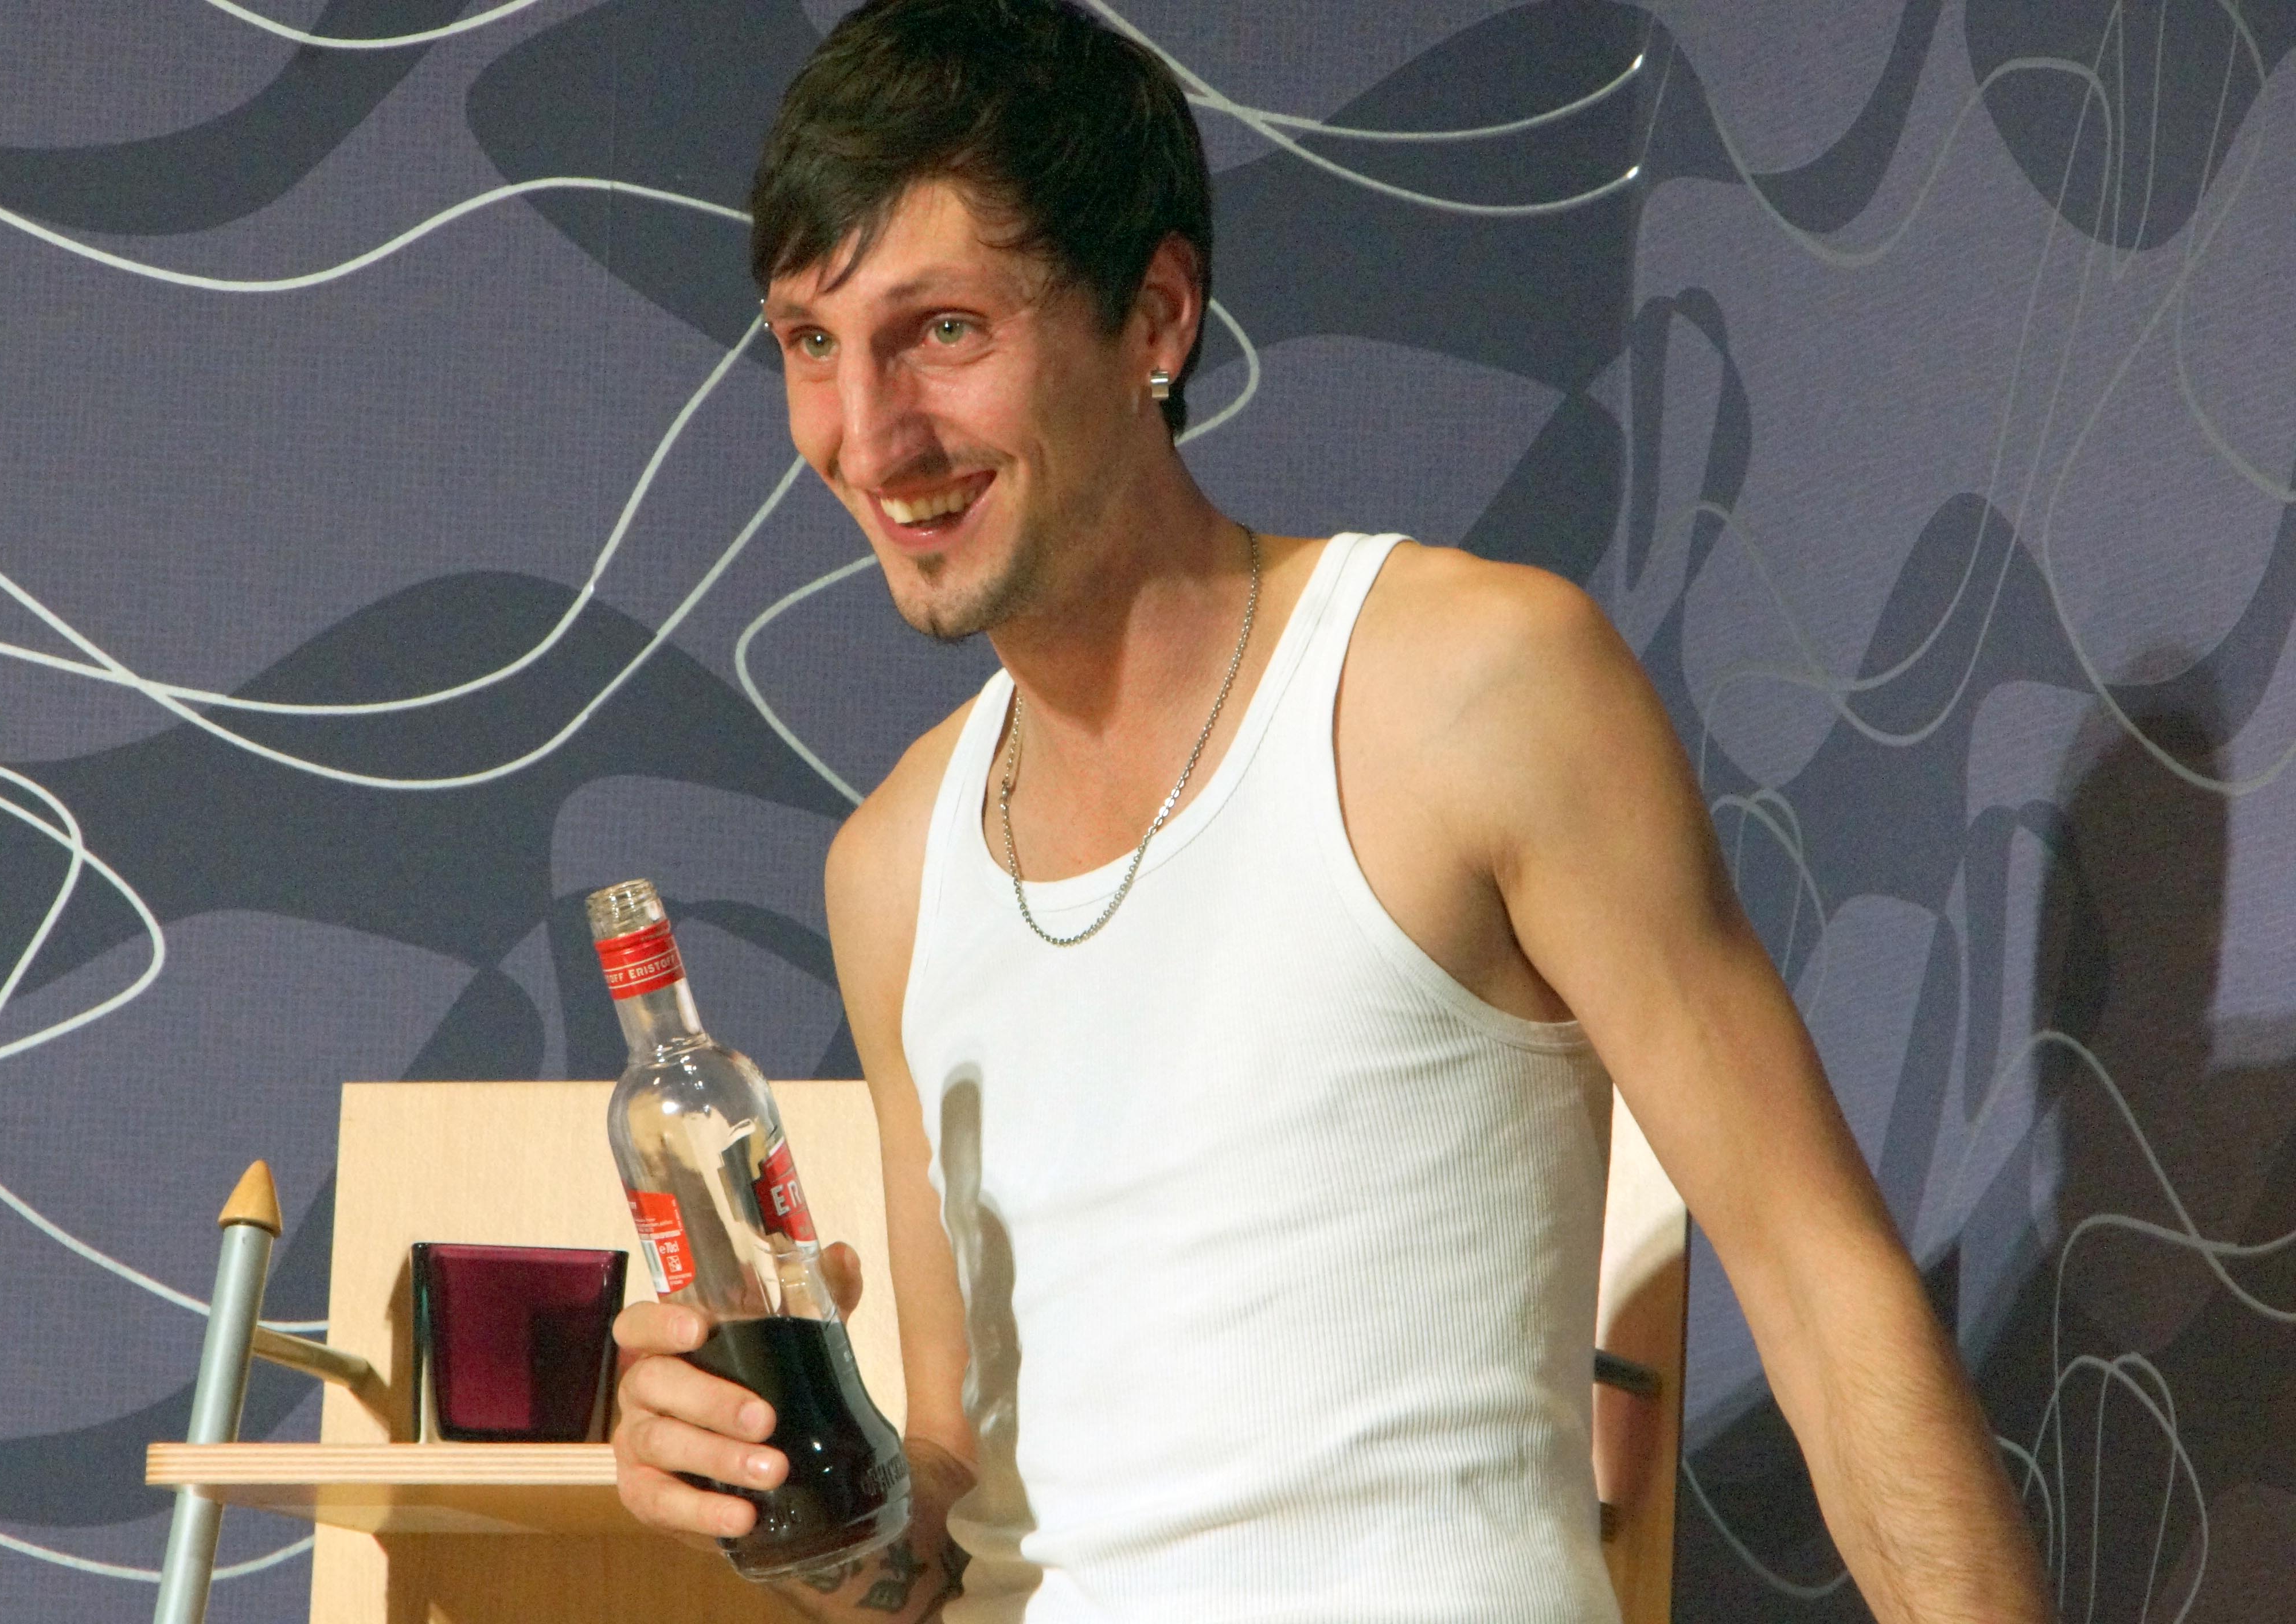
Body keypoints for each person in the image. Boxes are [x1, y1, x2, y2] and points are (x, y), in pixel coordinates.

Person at [611, 2, 2054, 1620]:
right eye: (812, 343)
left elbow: (1819, 1287)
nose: (870, 435)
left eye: (941, 329)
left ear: (1154, 316)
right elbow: (947, 1518)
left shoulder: (1470, 685)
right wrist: (779, 1496)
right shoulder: (891, 867)